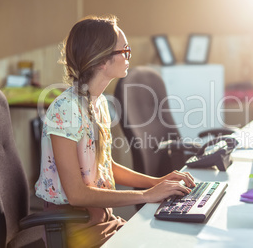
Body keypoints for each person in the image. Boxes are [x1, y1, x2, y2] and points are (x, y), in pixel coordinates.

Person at [35, 15, 195, 248]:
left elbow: (105, 165)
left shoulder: (97, 103)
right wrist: (146, 195)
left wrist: (158, 182)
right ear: (102, 61)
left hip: (102, 218)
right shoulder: (65, 110)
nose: (129, 56)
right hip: (75, 227)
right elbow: (77, 194)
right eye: (125, 51)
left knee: (172, 237)